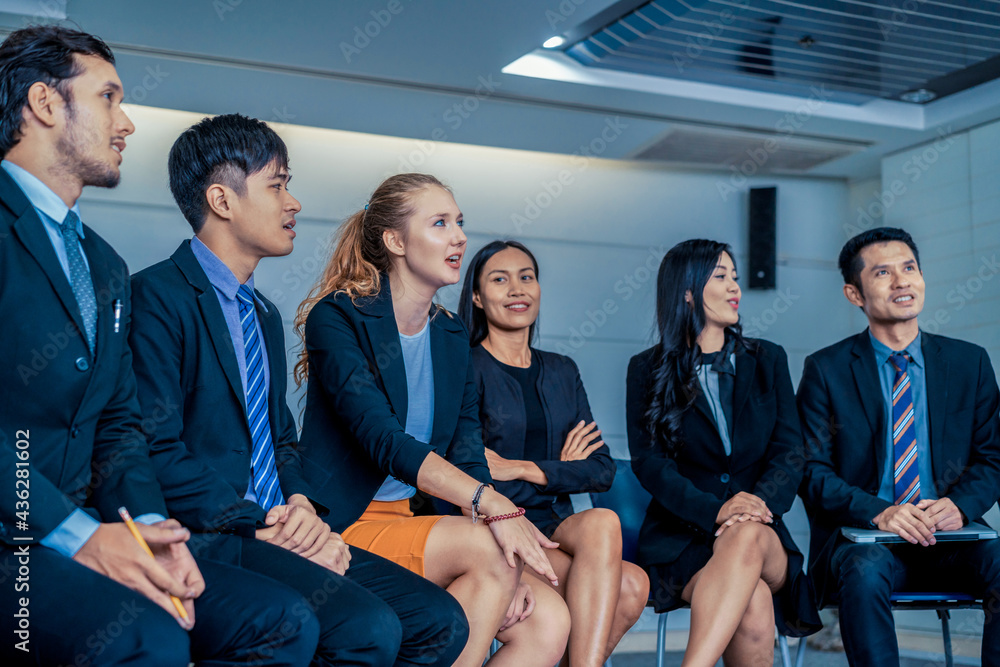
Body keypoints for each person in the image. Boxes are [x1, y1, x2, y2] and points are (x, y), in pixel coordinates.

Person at [0, 26, 318, 666]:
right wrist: (80, 535)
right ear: (43, 103)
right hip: (20, 540)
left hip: (83, 529)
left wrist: (153, 535)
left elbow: (121, 427)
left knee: (281, 621)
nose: (127, 124)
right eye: (109, 98)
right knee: (147, 637)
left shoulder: (104, 266)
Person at [128, 113, 470, 666]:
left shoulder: (262, 313)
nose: (295, 203)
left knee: (439, 621)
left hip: (275, 521)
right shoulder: (157, 298)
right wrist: (262, 521)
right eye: (278, 184)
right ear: (222, 199)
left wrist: (302, 507)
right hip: (211, 531)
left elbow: (280, 442)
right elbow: (155, 451)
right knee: (367, 627)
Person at [294, 173, 570, 666]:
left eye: (459, 222)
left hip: (410, 524)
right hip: (342, 526)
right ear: (396, 241)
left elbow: (466, 445)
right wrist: (493, 506)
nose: (460, 236)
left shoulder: (448, 333)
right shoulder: (338, 318)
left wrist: (489, 514)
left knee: (548, 621)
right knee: (490, 551)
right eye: (440, 223)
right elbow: (383, 440)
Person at [797, 227, 1000, 667]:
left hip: (952, 539)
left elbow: (992, 457)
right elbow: (811, 471)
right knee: (866, 569)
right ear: (855, 294)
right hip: (866, 543)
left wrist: (960, 507)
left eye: (909, 268)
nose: (902, 282)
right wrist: (880, 511)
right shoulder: (826, 370)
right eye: (883, 273)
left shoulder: (970, 363)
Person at [626, 239, 820, 667]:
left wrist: (754, 508)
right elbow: (650, 464)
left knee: (746, 537)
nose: (735, 287)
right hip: (685, 540)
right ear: (688, 291)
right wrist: (716, 510)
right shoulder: (646, 368)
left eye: (735, 276)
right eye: (721, 276)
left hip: (762, 531)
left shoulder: (768, 358)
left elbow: (790, 451)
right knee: (751, 600)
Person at [458, 239, 650, 666]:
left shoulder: (562, 370)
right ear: (476, 296)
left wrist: (525, 468)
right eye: (499, 279)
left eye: (526, 277)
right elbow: (465, 471)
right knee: (630, 585)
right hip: (494, 532)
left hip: (552, 526)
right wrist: (562, 468)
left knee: (603, 519)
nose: (517, 289)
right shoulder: (466, 368)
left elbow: (600, 471)